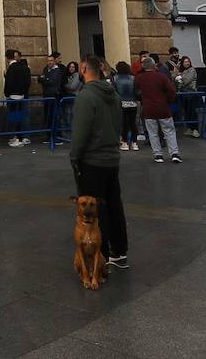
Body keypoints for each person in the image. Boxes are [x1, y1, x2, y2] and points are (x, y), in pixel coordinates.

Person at [68, 57, 128, 270]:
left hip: (92, 160)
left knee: (92, 210)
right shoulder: (114, 94)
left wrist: (75, 155)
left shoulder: (86, 96)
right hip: (112, 157)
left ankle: (99, 257)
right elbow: (119, 124)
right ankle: (120, 251)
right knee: (114, 205)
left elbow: (80, 132)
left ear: (83, 69)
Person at [134, 55, 178, 163]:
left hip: (148, 108)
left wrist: (143, 99)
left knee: (152, 133)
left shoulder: (139, 78)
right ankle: (174, 153)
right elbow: (171, 91)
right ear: (154, 65)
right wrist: (168, 100)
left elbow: (136, 93)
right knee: (169, 131)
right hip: (163, 107)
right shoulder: (161, 77)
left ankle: (158, 155)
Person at [4, 50, 32, 147]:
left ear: (7, 58)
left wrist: (7, 93)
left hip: (12, 96)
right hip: (22, 95)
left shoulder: (11, 68)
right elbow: (27, 82)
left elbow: (9, 83)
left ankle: (14, 137)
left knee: (13, 117)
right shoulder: (23, 67)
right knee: (20, 116)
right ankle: (22, 137)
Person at [111, 61, 138, 151]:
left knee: (124, 123)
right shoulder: (133, 78)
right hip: (133, 102)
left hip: (121, 103)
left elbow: (113, 91)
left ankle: (125, 142)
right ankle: (134, 143)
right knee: (133, 123)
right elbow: (136, 91)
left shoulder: (115, 78)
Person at [40, 53, 64, 142]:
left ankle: (57, 137)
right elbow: (41, 79)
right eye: (48, 61)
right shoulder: (46, 69)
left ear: (54, 61)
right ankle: (49, 135)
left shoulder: (57, 71)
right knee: (48, 117)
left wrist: (45, 79)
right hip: (46, 95)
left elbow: (52, 81)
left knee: (55, 116)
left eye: (51, 61)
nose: (49, 62)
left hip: (54, 96)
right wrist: (45, 79)